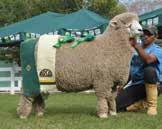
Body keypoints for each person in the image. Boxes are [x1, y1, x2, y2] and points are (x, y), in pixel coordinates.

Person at [116, 25, 162, 115]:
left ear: (155, 37)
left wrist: (136, 45)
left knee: (149, 70)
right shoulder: (135, 51)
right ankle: (141, 103)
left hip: (154, 84)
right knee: (115, 105)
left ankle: (152, 106)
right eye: (144, 34)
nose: (145, 36)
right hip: (137, 85)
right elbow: (132, 70)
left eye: (149, 34)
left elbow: (148, 60)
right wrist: (122, 84)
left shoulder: (158, 50)